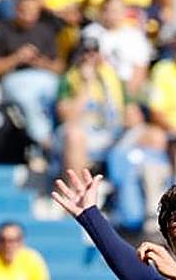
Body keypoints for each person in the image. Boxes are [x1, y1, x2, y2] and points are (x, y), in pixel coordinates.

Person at [0, 0, 65, 152]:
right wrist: (16, 58)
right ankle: (45, 142)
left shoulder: (45, 30)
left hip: (44, 77)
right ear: (16, 8)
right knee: (26, 97)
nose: (27, 14)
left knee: (62, 93)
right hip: (13, 78)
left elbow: (59, 67)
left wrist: (41, 63)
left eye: (32, 11)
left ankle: (63, 138)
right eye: (23, 10)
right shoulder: (1, 29)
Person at [53, 37, 127, 177]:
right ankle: (76, 191)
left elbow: (130, 112)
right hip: (79, 132)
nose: (90, 56)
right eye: (85, 52)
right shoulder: (69, 78)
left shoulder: (113, 76)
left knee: (152, 136)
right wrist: (86, 85)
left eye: (94, 52)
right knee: (75, 136)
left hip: (110, 131)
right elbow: (67, 117)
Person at [80, 0, 152, 98]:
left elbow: (140, 72)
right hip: (95, 86)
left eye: (115, 10)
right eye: (107, 9)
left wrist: (125, 99)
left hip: (126, 88)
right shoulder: (90, 33)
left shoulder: (135, 37)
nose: (111, 15)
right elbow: (85, 63)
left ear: (124, 11)